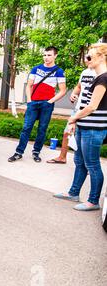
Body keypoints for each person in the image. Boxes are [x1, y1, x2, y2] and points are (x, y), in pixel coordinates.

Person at [54, 43, 107, 211]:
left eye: (90, 57)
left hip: (94, 128)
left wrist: (73, 118)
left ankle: (93, 201)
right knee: (79, 161)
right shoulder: (97, 77)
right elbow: (85, 102)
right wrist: (77, 120)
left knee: (92, 165)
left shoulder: (104, 78)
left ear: (101, 57)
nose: (87, 60)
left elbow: (92, 106)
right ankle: (74, 193)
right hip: (85, 125)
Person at [8, 46, 67, 163]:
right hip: (33, 103)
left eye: (49, 55)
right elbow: (29, 85)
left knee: (42, 129)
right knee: (26, 128)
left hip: (47, 104)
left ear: (55, 56)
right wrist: (29, 100)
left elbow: (63, 90)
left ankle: (36, 152)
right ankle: (19, 152)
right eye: (44, 55)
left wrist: (50, 101)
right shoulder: (36, 69)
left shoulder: (59, 71)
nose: (46, 57)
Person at [47, 60, 96, 164]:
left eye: (89, 57)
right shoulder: (85, 72)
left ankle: (87, 164)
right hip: (78, 108)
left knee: (86, 138)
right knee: (67, 132)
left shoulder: (101, 73)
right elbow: (79, 86)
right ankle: (62, 157)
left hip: (91, 111)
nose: (86, 60)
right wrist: (73, 94)